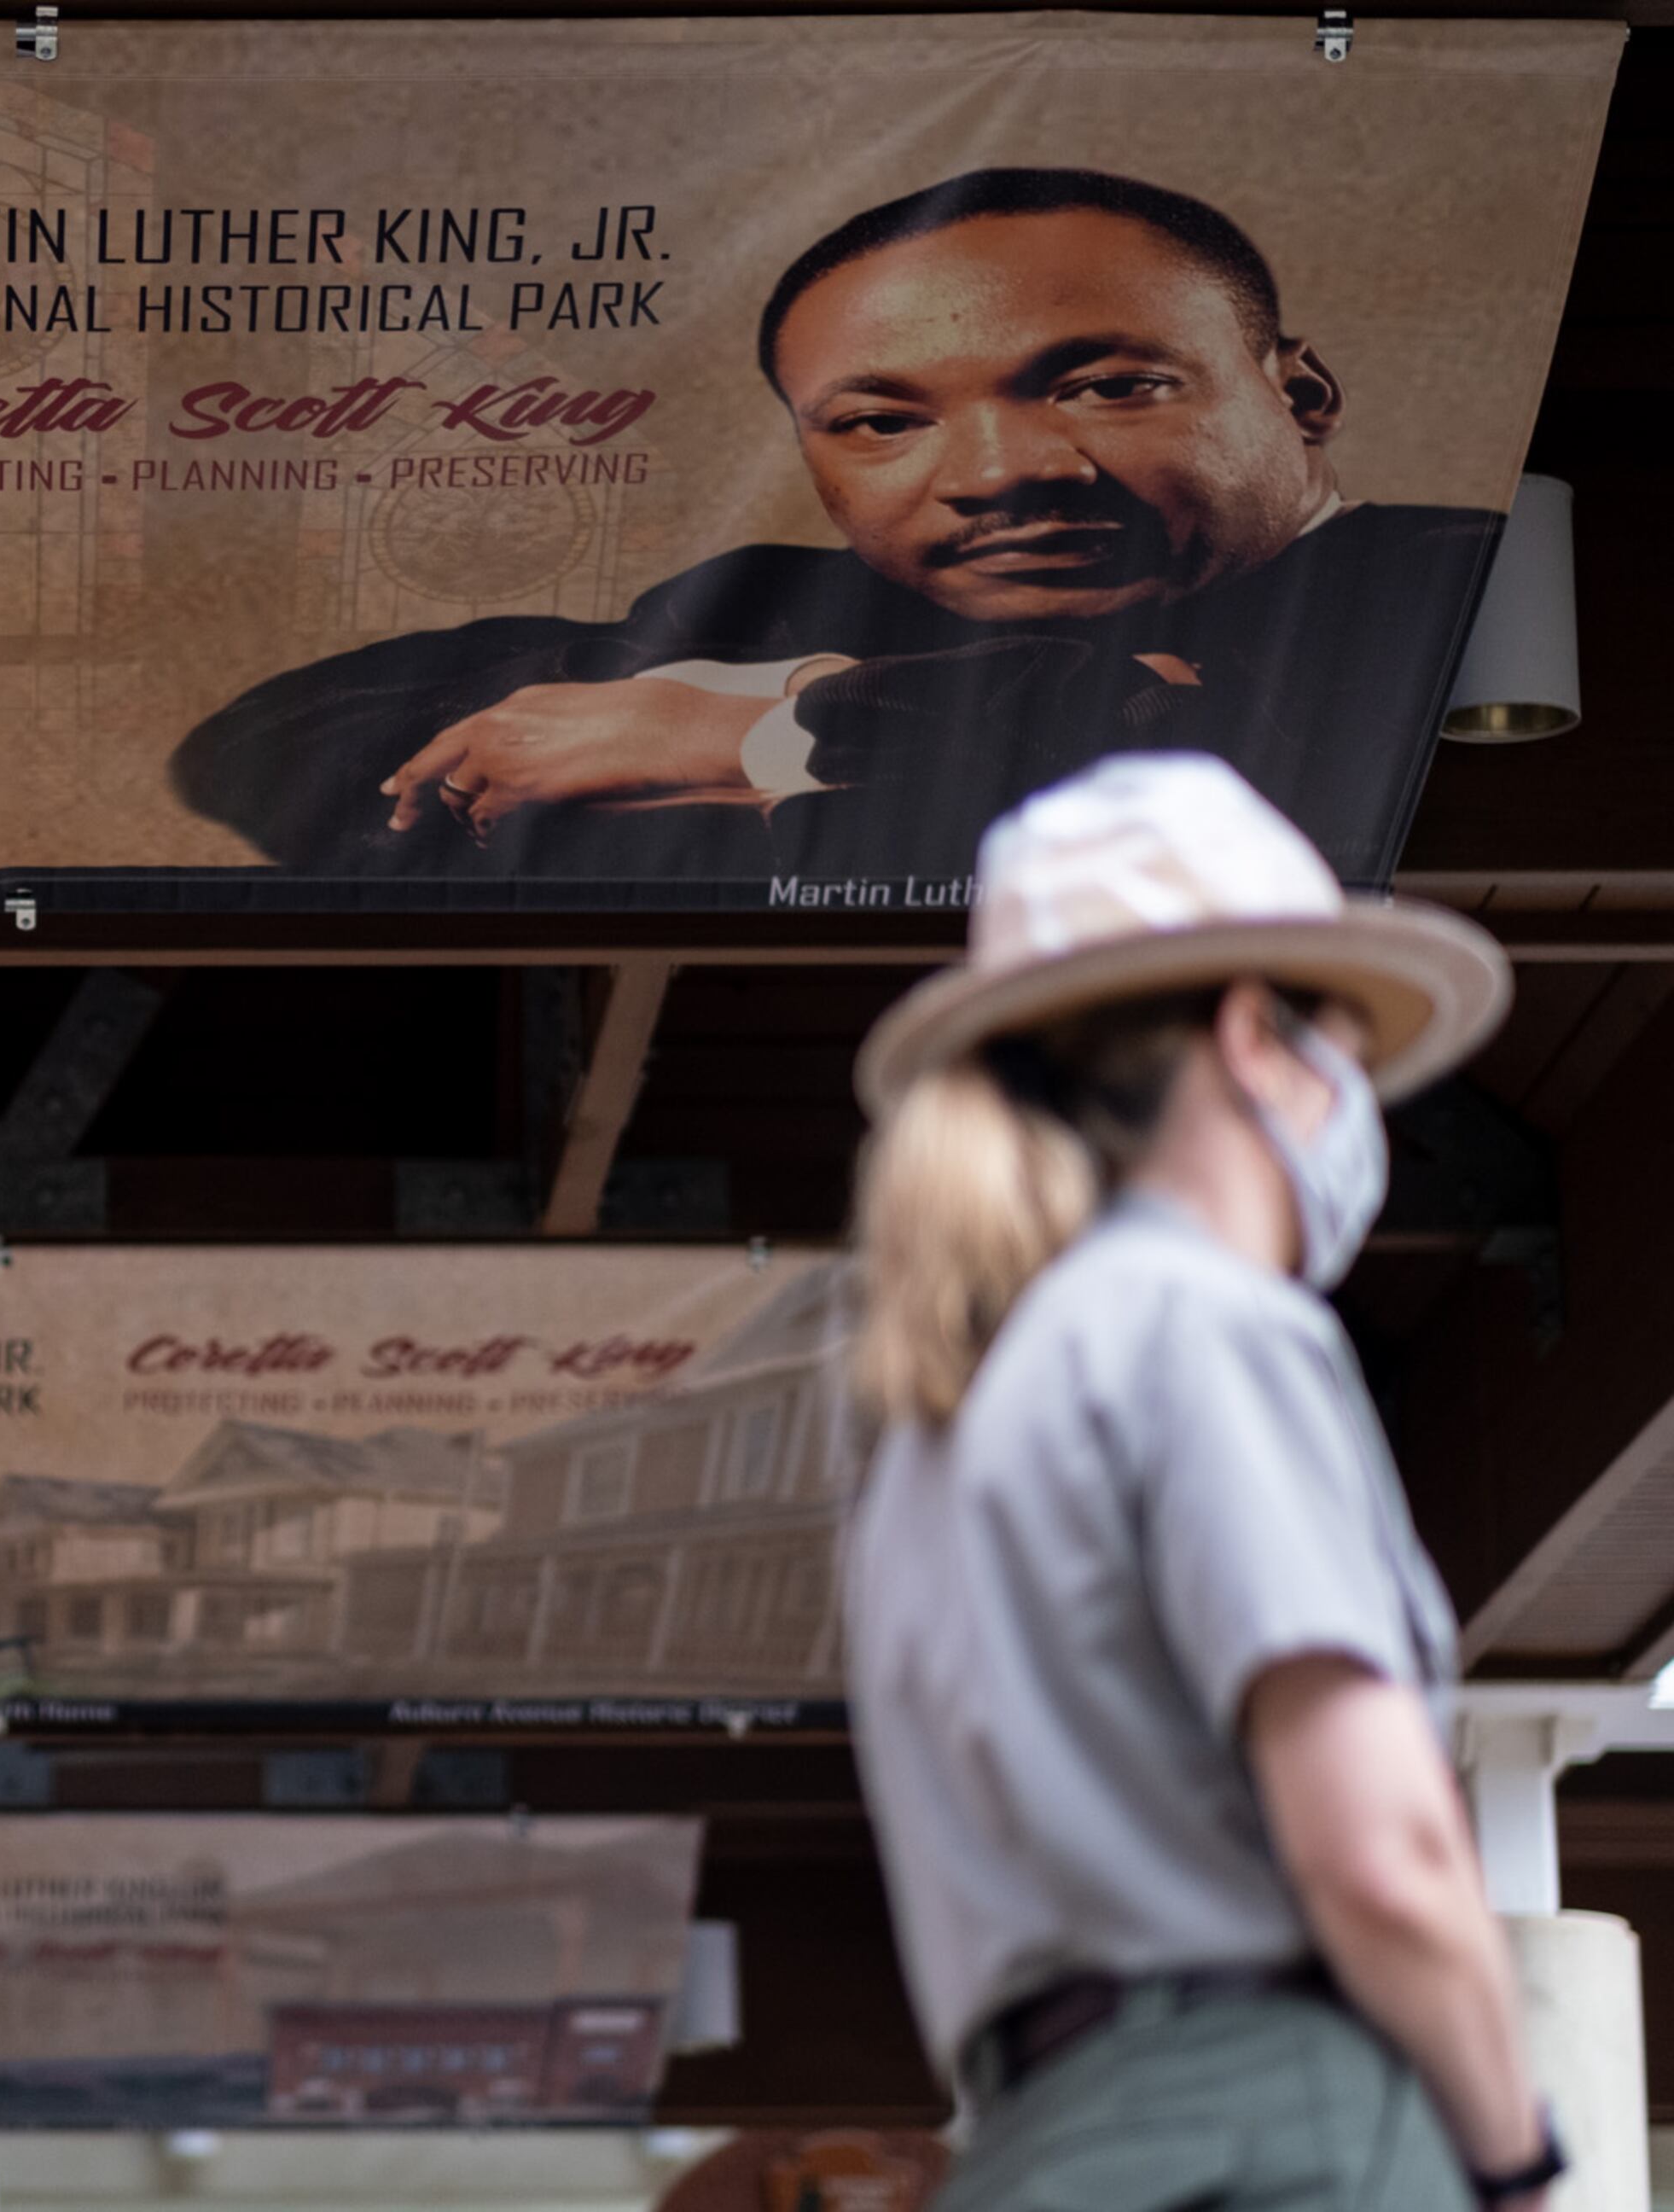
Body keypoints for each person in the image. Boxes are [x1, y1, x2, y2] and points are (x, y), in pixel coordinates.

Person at [839, 753, 1556, 2209]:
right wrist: (1517, 2158)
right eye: (1340, 1050)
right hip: (1283, 2118)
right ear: (1250, 1033)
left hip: (1042, 2142)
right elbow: (1381, 1854)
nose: (1361, 1111)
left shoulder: (934, 1426)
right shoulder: (1208, 1322)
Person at [172, 169, 1499, 888]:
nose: (1002, 473)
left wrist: (767, 728)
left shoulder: (1461, 596)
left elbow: (1268, 745)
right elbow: (279, 745)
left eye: (1106, 387)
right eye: (879, 421)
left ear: (1300, 394)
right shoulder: (776, 602)